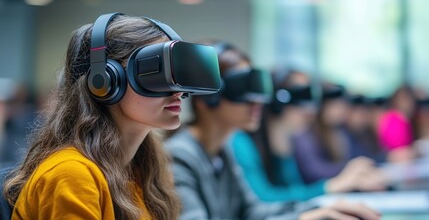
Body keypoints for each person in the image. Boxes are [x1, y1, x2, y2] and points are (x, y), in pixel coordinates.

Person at [2, 13, 222, 220]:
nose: (178, 93)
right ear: (105, 81)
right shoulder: (72, 174)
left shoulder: (145, 171)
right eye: (156, 73)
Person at [165, 41, 381, 220]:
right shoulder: (180, 156)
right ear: (207, 96)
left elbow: (253, 211)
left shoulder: (222, 151)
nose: (257, 102)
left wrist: (311, 213)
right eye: (243, 89)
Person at [230, 73, 387, 203]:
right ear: (278, 101)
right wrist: (330, 186)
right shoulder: (240, 141)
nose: (310, 111)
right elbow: (262, 199)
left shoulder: (287, 137)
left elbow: (293, 188)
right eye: (301, 98)